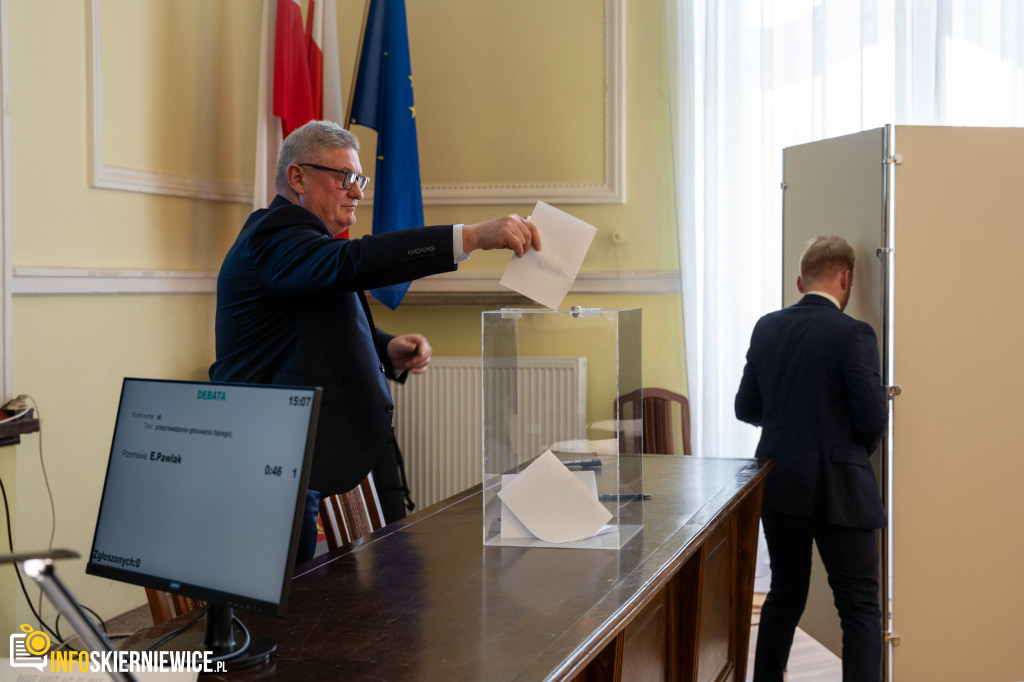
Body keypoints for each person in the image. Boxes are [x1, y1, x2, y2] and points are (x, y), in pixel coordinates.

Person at [210, 120, 540, 563]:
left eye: (359, 179)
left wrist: (384, 347)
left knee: (301, 596)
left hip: (288, 453)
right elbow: (354, 262)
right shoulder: (277, 231)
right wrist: (470, 237)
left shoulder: (299, 244)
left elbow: (303, 320)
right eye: (344, 178)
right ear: (297, 177)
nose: (358, 192)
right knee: (284, 600)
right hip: (266, 461)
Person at [735, 235, 886, 682]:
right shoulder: (854, 333)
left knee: (784, 593)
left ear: (801, 281)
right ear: (846, 279)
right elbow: (873, 418)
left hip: (779, 483)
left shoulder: (767, 327)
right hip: (842, 489)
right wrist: (850, 454)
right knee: (859, 606)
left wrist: (787, 425)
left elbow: (746, 408)